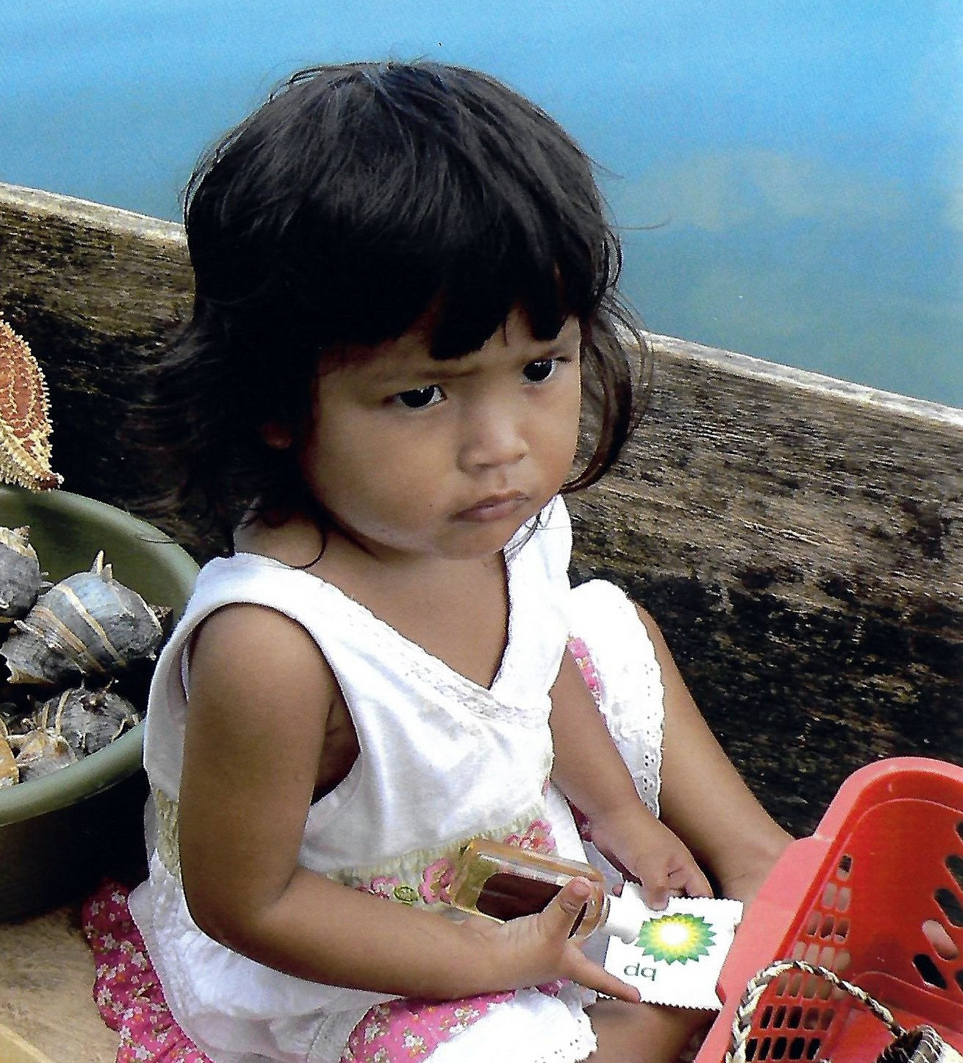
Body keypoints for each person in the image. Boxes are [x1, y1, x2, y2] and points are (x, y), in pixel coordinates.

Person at [81, 61, 794, 1063]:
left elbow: (539, 657)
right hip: (353, 944)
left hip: (492, 843)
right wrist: (483, 963)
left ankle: (756, 857)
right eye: (423, 396)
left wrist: (621, 817)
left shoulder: (487, 517)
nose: (499, 445)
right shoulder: (274, 648)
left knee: (608, 626)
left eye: (539, 368)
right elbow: (249, 901)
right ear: (278, 405)